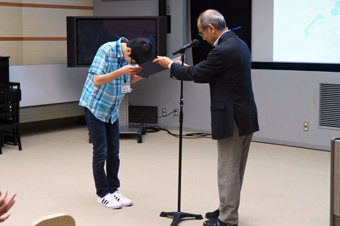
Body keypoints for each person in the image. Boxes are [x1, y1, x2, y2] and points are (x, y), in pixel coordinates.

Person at [153, 9, 259, 226]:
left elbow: (196, 74)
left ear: (211, 28)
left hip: (232, 118)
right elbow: (211, 73)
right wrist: (184, 68)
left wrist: (171, 65)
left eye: (202, 33)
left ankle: (228, 219)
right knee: (236, 168)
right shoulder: (238, 43)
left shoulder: (222, 50)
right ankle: (225, 208)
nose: (202, 37)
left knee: (227, 170)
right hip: (245, 115)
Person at [79, 37, 153, 209]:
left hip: (112, 108)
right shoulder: (106, 50)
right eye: (133, 61)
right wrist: (121, 71)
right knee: (101, 151)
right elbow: (97, 80)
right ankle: (102, 193)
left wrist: (148, 71)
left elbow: (128, 81)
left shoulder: (129, 56)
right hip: (95, 106)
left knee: (114, 151)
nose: (132, 64)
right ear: (128, 51)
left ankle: (114, 189)